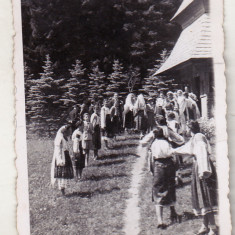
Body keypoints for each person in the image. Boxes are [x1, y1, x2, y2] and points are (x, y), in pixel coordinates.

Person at [172, 121, 218, 235]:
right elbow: (187, 148)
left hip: (203, 167)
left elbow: (202, 154)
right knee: (201, 196)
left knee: (206, 196)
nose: (186, 131)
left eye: (187, 128)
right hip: (199, 166)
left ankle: (213, 228)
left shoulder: (198, 138)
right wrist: (172, 151)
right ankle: (205, 225)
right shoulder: (196, 137)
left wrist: (204, 171)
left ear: (190, 129)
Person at [140, 128, 181, 229]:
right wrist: (176, 171)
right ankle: (173, 212)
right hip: (169, 165)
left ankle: (160, 221)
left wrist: (151, 170)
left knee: (158, 191)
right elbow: (174, 156)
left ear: (155, 136)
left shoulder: (153, 144)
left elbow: (151, 158)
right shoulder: (167, 143)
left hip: (158, 165)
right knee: (170, 188)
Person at [51, 125, 74, 195]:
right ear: (65, 132)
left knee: (65, 173)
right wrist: (59, 160)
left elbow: (67, 148)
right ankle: (62, 189)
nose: (70, 133)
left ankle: (63, 189)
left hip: (65, 156)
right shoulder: (59, 138)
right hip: (61, 158)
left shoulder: (64, 137)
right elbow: (58, 150)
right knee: (61, 174)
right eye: (69, 131)